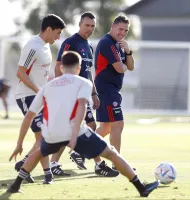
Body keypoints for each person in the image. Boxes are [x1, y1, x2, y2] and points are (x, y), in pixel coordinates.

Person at [7, 51, 159, 197]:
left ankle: (15, 185)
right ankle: (141, 187)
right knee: (111, 153)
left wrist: (19, 144)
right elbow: (81, 106)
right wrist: (73, 135)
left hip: (52, 133)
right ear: (79, 68)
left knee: (39, 152)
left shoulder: (48, 86)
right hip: (77, 133)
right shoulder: (84, 82)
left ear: (61, 67)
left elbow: (29, 116)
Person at [54, 12, 118, 177]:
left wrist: (94, 93)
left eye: (92, 26)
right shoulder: (70, 43)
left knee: (86, 127)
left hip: (83, 94)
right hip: (71, 93)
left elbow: (88, 73)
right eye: (86, 25)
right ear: (80, 25)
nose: (89, 29)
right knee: (89, 126)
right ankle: (98, 164)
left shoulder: (89, 46)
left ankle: (59, 161)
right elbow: (58, 66)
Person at [14, 14, 67, 184]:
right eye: (57, 33)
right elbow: (20, 73)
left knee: (49, 136)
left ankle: (25, 165)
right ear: (49, 29)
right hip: (27, 96)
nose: (59, 37)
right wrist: (39, 91)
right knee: (43, 137)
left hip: (38, 96)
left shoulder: (45, 46)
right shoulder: (33, 46)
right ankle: (47, 174)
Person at [94, 15, 134, 170]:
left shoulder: (120, 45)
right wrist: (124, 63)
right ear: (113, 26)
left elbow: (130, 67)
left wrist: (128, 52)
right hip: (106, 88)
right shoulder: (107, 43)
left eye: (126, 30)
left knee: (106, 127)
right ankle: (117, 163)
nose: (123, 33)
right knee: (118, 123)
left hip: (113, 89)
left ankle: (81, 149)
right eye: (120, 29)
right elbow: (120, 68)